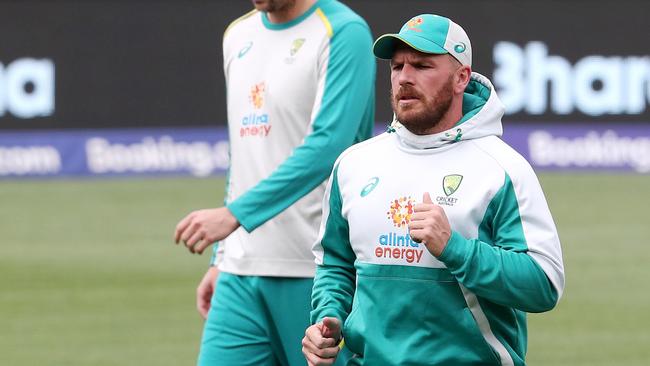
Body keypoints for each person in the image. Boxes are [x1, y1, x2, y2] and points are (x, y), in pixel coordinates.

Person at [303, 13, 565, 366]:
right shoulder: (354, 164)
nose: (404, 78)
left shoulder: (501, 169)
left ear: (461, 78)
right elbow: (334, 262)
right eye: (397, 67)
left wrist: (455, 249)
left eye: (422, 66)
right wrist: (328, 316)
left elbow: (543, 284)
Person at [173, 0, 375, 365]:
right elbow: (244, 157)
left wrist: (235, 215)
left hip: (320, 274)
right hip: (240, 274)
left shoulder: (345, 32)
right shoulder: (237, 35)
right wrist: (222, 257)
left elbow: (329, 146)